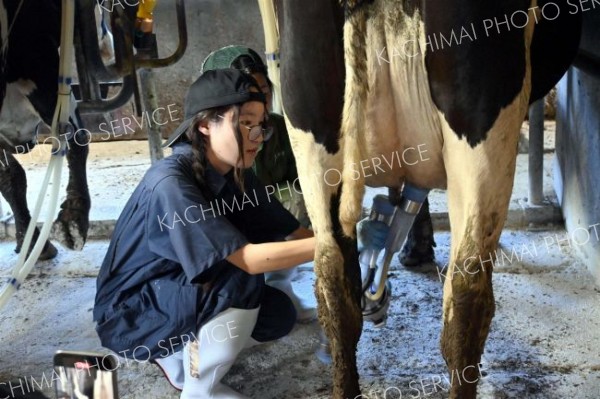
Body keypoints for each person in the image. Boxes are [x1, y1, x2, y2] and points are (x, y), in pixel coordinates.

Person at [92, 69, 388, 398]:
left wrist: (351, 261)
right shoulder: (172, 183)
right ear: (204, 124)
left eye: (261, 124)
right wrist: (342, 242)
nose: (259, 135)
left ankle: (184, 350)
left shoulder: (235, 175)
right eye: (246, 122)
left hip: (179, 289)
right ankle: (199, 386)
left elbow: (293, 234)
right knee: (241, 279)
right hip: (133, 313)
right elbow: (249, 260)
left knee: (278, 314)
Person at [201, 45, 315, 321]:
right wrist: (336, 244)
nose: (258, 101)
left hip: (265, 233)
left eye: (262, 93)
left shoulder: (279, 130)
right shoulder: (187, 167)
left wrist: (343, 240)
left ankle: (276, 285)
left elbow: (301, 187)